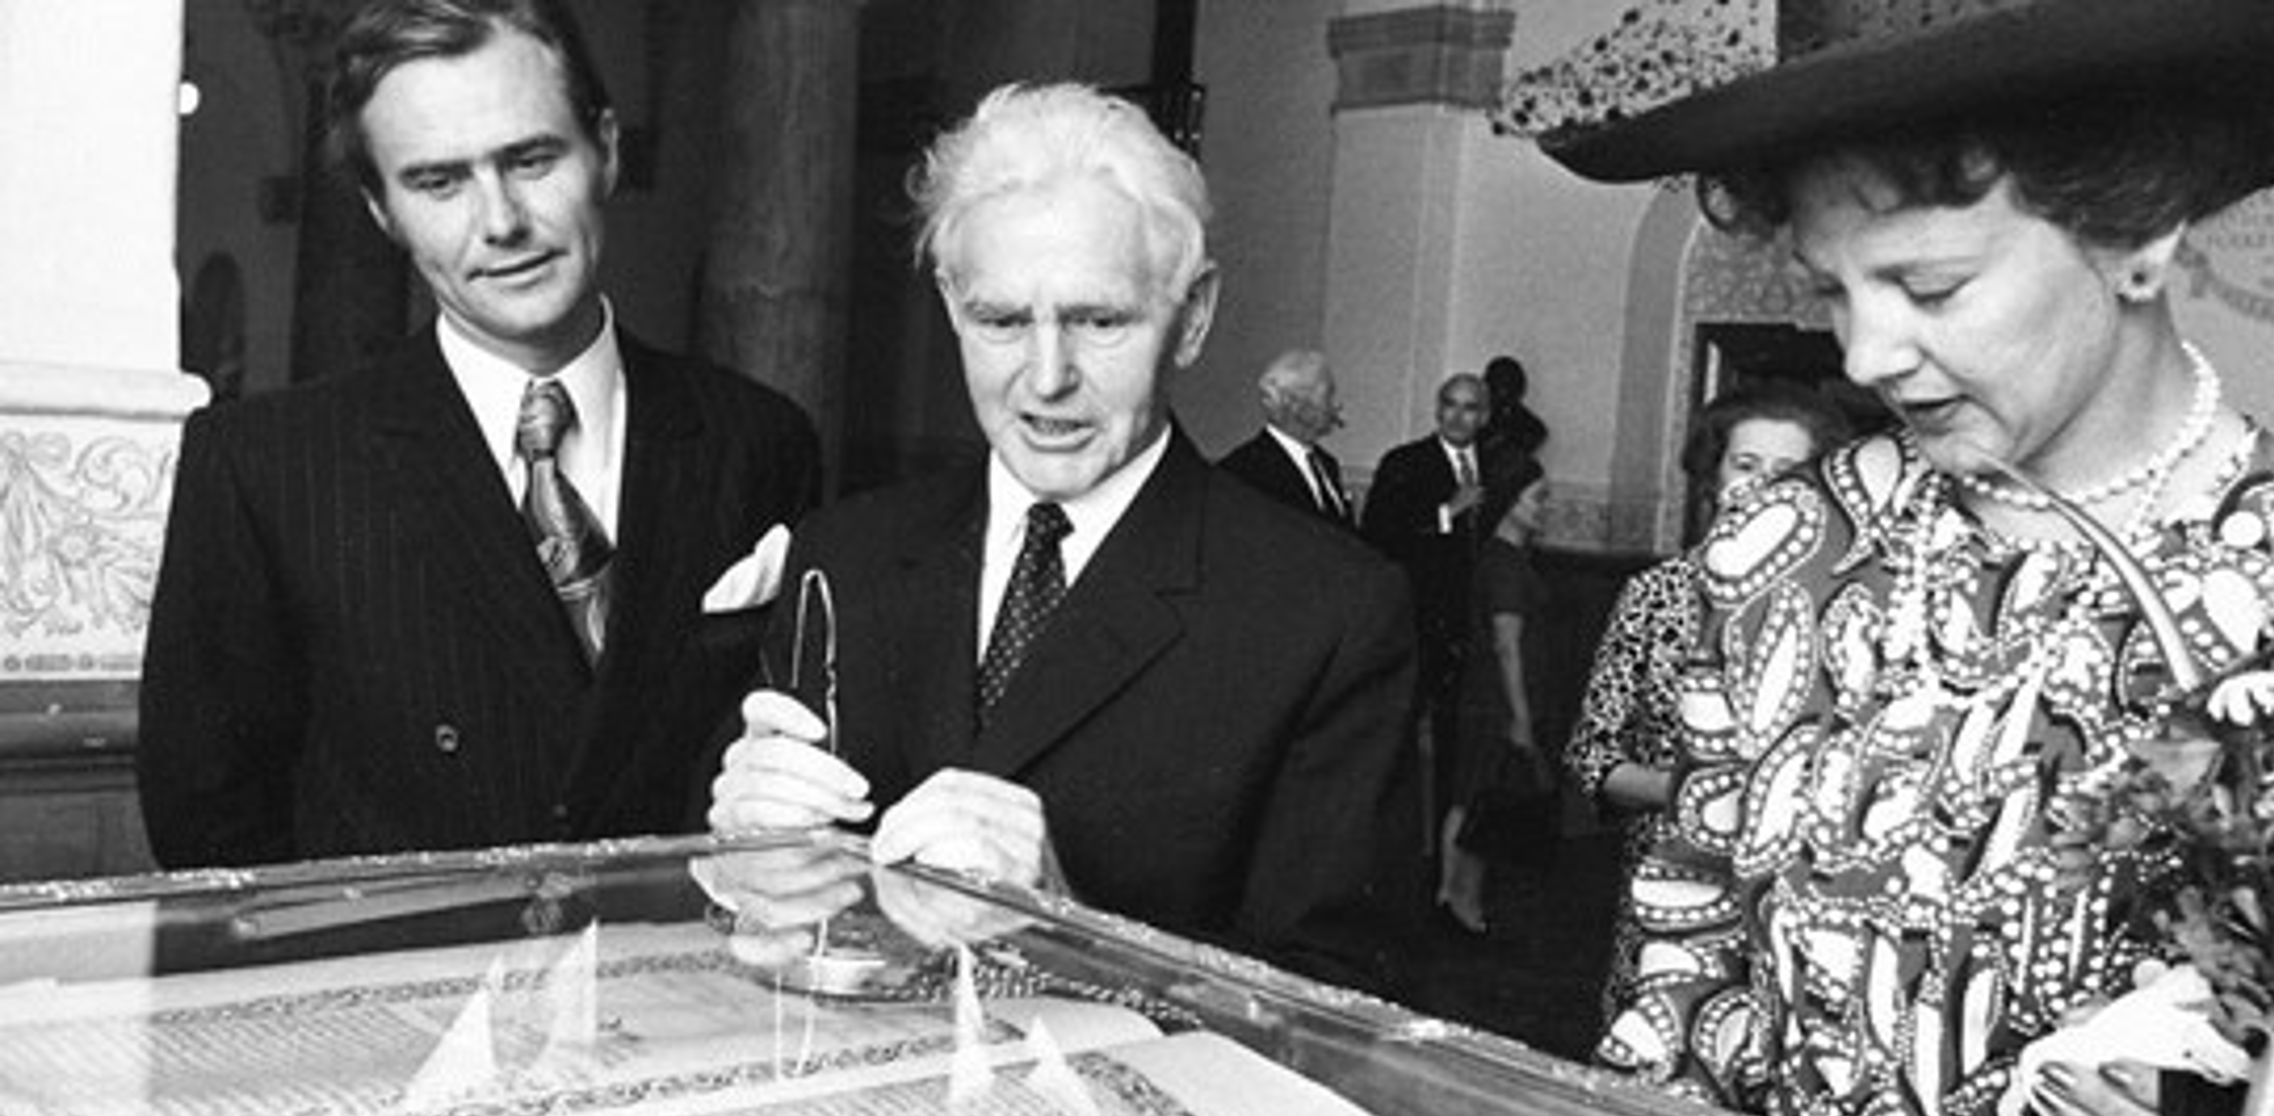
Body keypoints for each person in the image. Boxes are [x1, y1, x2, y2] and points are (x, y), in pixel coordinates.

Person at [1507, 0, 2274, 1116]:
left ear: (2138, 234)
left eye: (1931, 284)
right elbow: (1671, 996)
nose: (1870, 356)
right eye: (1835, 293)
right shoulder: (1779, 564)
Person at [705, 83, 1420, 995]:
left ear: (1193, 317)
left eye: (1100, 320)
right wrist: (738, 852)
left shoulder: (1328, 610)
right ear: (954, 307)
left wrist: (1068, 927)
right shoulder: (846, 553)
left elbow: (1346, 1010)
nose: (1046, 380)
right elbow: (762, 921)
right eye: (1003, 322)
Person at [137, 0, 822, 868]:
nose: (500, 221)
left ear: (605, 149)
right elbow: (210, 829)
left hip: (676, 982)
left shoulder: (759, 440)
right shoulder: (263, 466)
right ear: (382, 212)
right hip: (403, 988)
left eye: (531, 159)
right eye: (438, 182)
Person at [1564, 383, 1847, 1011]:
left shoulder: (1844, 615)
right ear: (1713, 476)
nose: (1761, 486)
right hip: (1668, 887)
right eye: (1745, 465)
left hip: (1793, 903)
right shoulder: (1654, 595)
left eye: (1789, 473)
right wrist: (1713, 797)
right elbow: (1592, 758)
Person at [1362, 373, 1532, 849]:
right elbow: (1378, 539)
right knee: (1404, 743)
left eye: (1471, 408)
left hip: (1480, 628)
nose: (1459, 416)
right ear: (1438, 410)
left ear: (1484, 415)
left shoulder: (1500, 467)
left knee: (1467, 752)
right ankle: (1403, 849)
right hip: (1421, 627)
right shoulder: (1405, 463)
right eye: (1450, 406)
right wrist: (1444, 514)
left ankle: (1452, 859)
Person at [1437, 476, 1553, 935]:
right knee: (1477, 802)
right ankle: (1458, 901)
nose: (1545, 507)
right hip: (1495, 703)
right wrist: (1520, 716)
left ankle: (1453, 895)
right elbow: (1508, 645)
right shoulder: (1504, 563)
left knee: (1474, 800)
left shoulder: (1504, 557)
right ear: (1510, 502)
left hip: (1489, 699)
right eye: (1537, 498)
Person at [1217, 349, 1355, 528]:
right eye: (1328, 396)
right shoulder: (1243, 470)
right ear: (1297, 405)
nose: (1336, 406)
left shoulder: (1328, 465)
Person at [1481, 354, 1549, 462]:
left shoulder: (1528, 425)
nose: (1502, 393)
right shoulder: (1473, 416)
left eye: (1507, 387)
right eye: (1498, 387)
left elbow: (1537, 432)